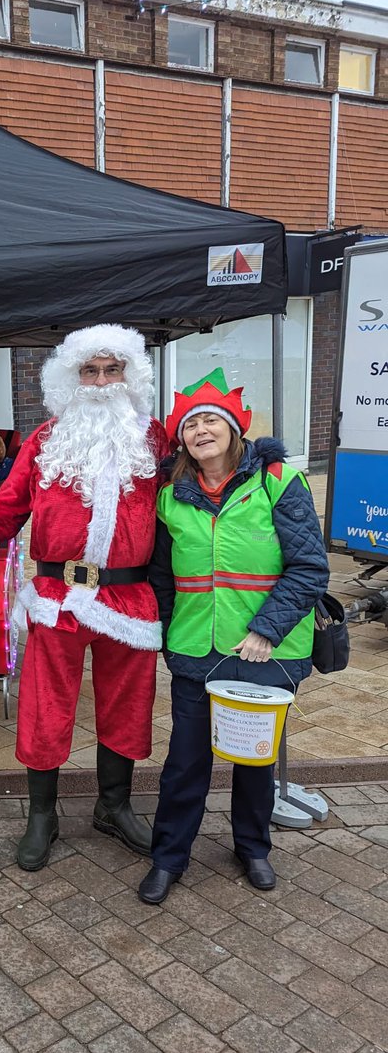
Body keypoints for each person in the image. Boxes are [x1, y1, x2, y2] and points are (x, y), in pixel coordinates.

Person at [0, 324, 169, 869]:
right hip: (55, 594)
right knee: (45, 708)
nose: (99, 381)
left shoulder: (154, 438)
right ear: (70, 378)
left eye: (110, 369)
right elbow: (7, 503)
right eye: (88, 371)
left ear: (129, 375)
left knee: (128, 706)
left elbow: (183, 502)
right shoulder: (46, 439)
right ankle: (41, 816)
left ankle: (113, 806)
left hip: (128, 599)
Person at [139, 369, 329, 904]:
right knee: (186, 760)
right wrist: (164, 632)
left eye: (210, 420)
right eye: (190, 424)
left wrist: (267, 630)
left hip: (267, 651)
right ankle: (169, 857)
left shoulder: (277, 481)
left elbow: (310, 567)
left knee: (253, 757)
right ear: (181, 440)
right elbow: (161, 575)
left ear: (233, 428)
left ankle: (254, 847)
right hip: (197, 649)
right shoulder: (170, 496)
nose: (201, 430)